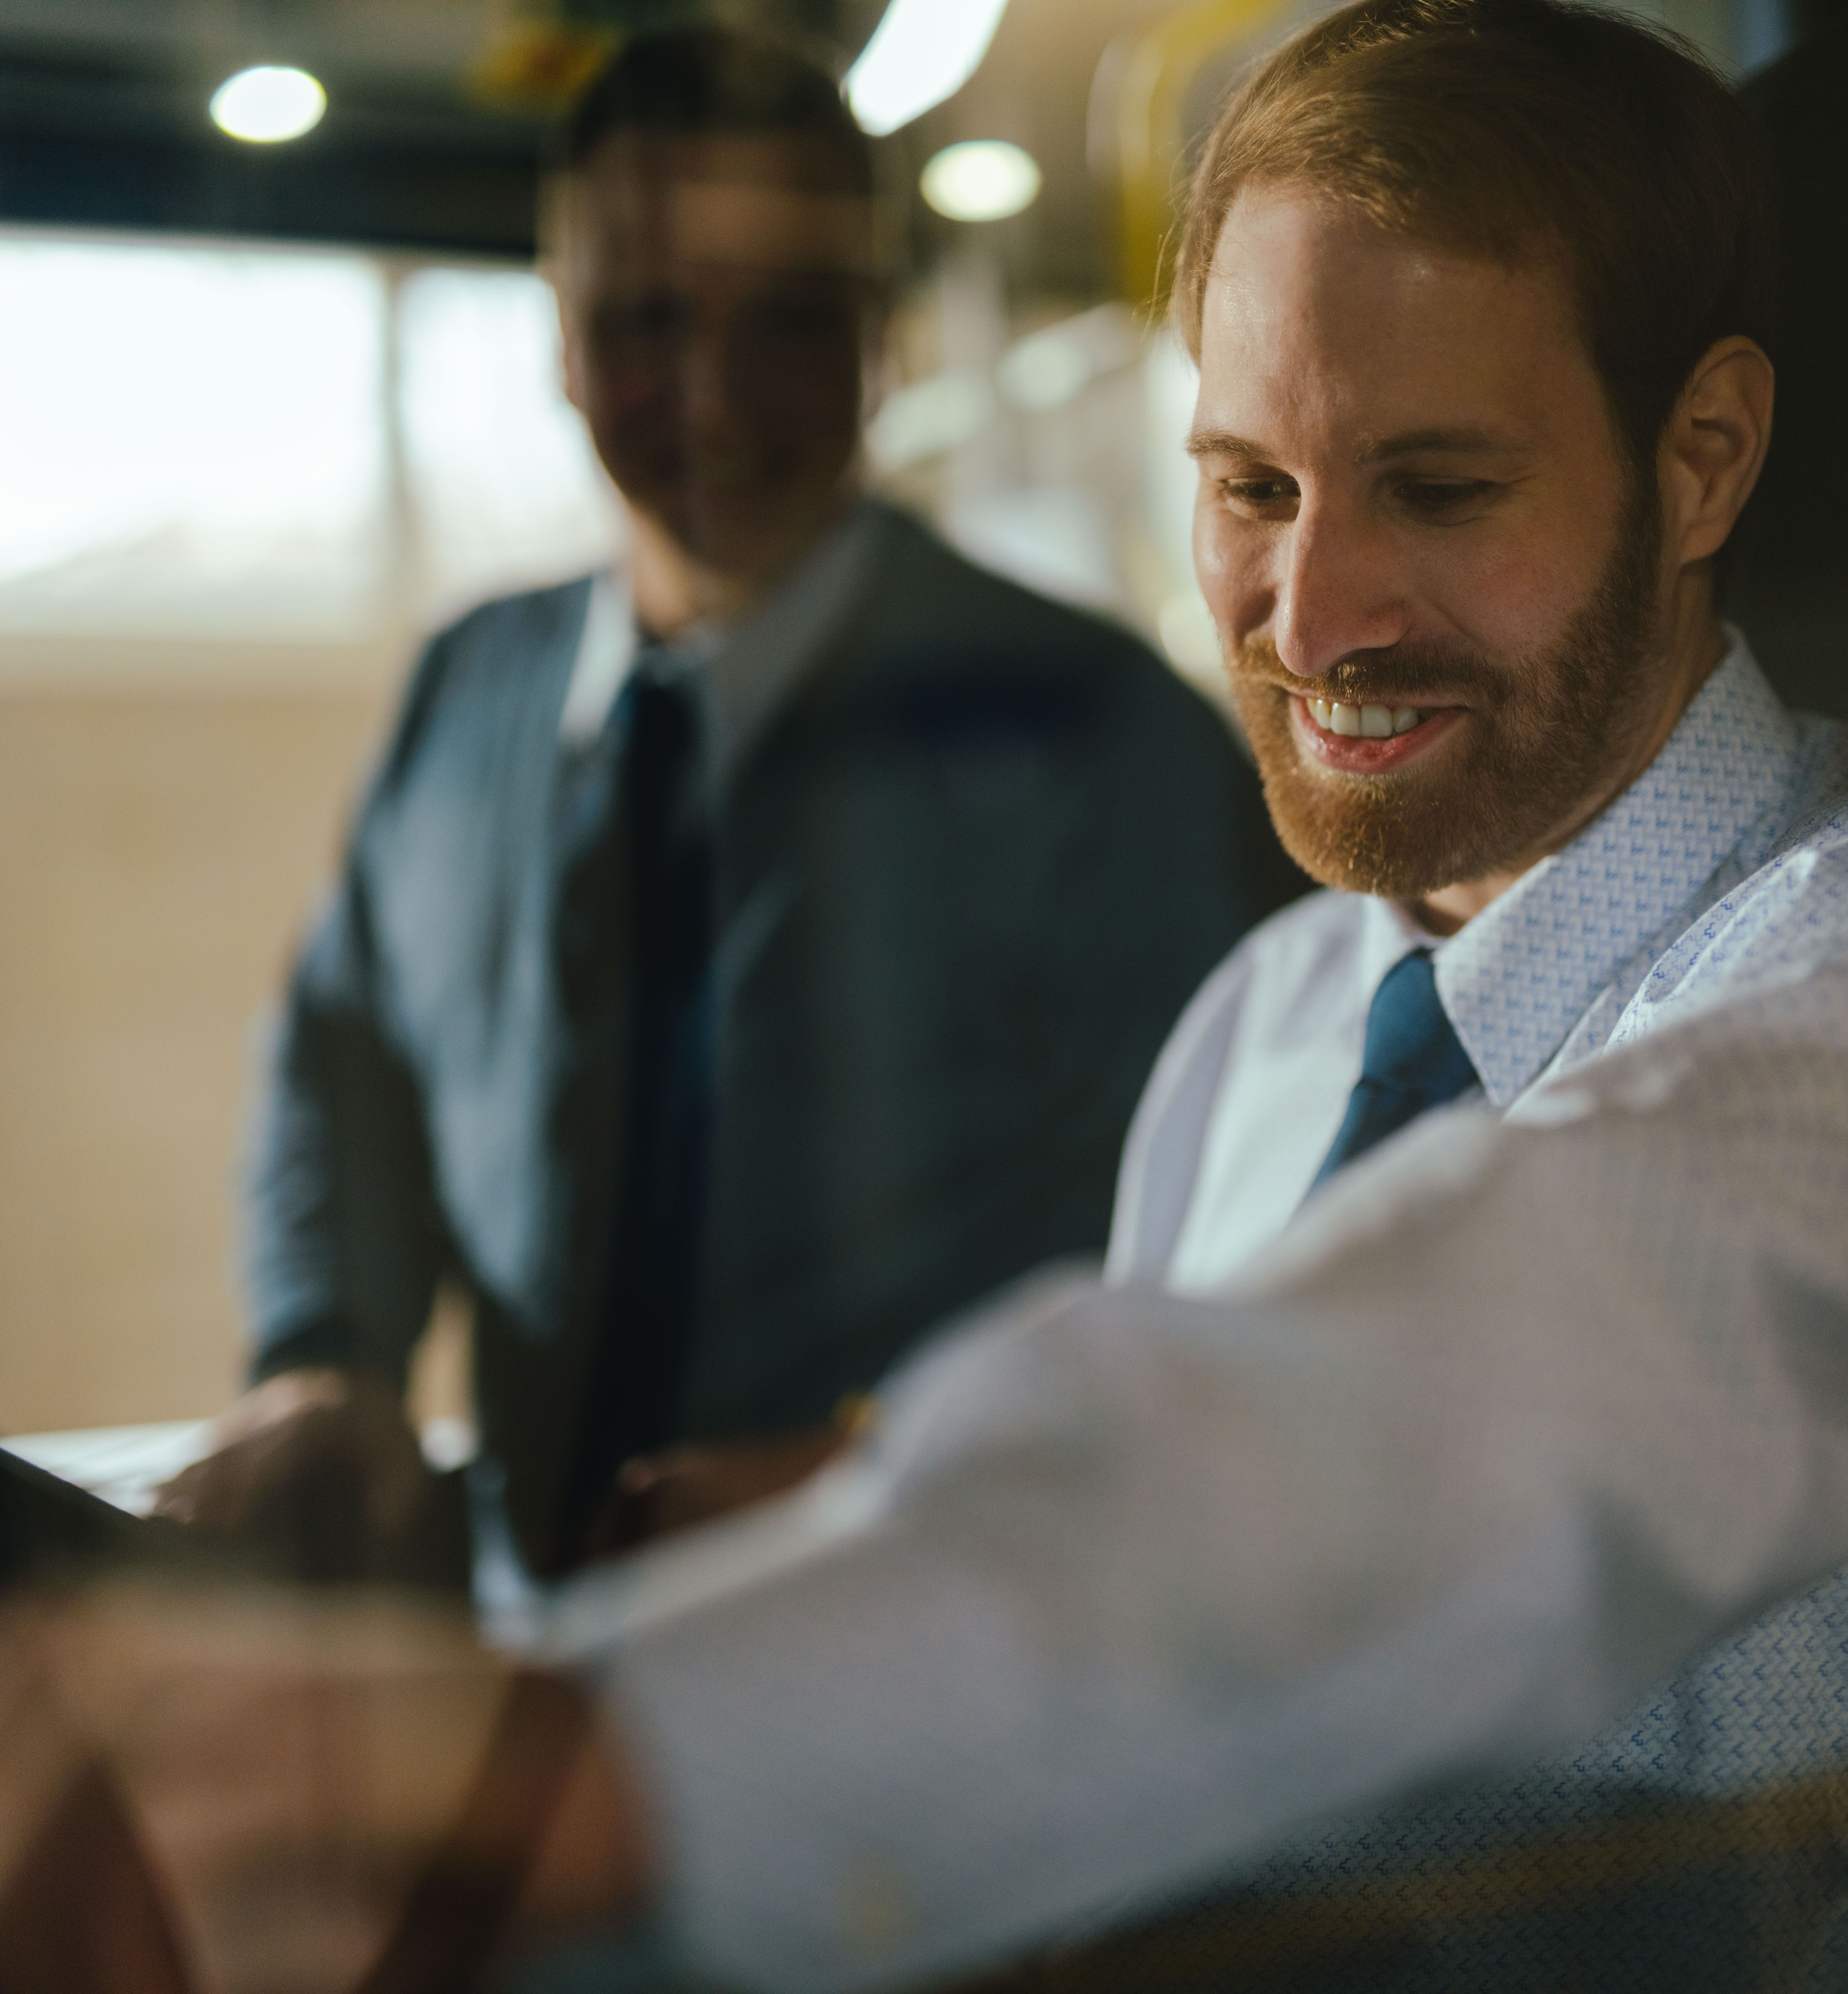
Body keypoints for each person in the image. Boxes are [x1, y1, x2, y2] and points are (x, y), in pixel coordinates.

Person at [0, 3, 1848, 1990]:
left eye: (1434, 484)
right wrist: (861, 1490)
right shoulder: (1268, 1022)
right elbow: (1192, 1434)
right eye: (1249, 488)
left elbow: (1514, 1361)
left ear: (1698, 458)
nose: (1313, 614)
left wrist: (595, 1755)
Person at [156, 28, 1297, 1583]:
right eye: (643, 321)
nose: (710, 394)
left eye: (787, 322)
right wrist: (326, 1358)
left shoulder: (1100, 738)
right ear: (557, 338)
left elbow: (1229, 1251)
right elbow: (345, 1061)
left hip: (916, 1642)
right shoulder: (465, 691)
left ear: (878, 337)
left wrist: (875, 1464)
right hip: (530, 1665)